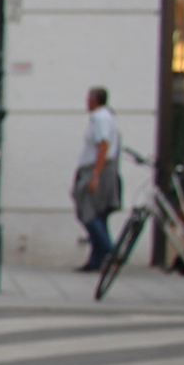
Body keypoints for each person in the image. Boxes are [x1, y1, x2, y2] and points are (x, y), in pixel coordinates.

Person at [71, 87, 121, 272]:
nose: (86, 101)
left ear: (94, 100)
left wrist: (95, 175)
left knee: (87, 211)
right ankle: (96, 259)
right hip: (98, 169)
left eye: (88, 98)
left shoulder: (101, 118)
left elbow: (103, 144)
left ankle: (109, 251)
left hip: (97, 170)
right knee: (98, 214)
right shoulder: (104, 117)